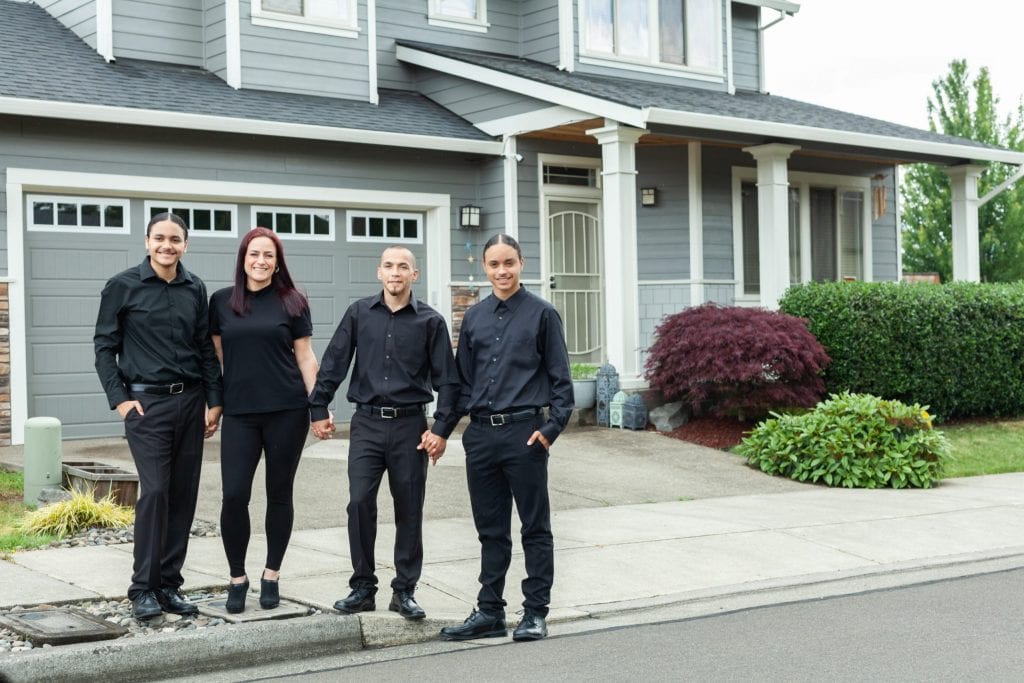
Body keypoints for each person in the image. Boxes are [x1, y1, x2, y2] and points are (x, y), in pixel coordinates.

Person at [309, 245, 458, 621]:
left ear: (414, 275)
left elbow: (449, 382)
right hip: (367, 425)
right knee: (359, 502)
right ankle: (362, 587)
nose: (396, 272)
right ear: (379, 273)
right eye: (389, 266)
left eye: (403, 267)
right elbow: (334, 361)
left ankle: (404, 591)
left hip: (411, 426)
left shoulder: (431, 322)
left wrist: (441, 428)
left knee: (409, 508)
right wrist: (318, 407)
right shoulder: (360, 313)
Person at [437, 234, 573, 643]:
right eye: (494, 264)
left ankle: (534, 612)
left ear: (521, 263)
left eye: (509, 263)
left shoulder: (543, 315)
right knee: (490, 529)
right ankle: (490, 611)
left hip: (525, 435)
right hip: (480, 436)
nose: (502, 271)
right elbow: (461, 383)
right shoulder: (474, 318)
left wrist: (549, 431)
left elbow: (561, 382)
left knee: (534, 527)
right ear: (485, 268)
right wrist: (441, 431)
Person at [94, 212, 223, 620]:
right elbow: (104, 347)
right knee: (155, 493)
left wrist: (214, 399)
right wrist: (120, 400)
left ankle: (169, 584)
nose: (167, 246)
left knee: (183, 494)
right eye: (160, 238)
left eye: (175, 240)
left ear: (186, 244)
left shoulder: (194, 288)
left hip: (191, 402)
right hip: (146, 406)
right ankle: (142, 589)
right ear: (147, 241)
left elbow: (204, 347)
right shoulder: (122, 286)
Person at [209, 228, 319, 613]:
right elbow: (217, 358)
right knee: (234, 495)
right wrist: (216, 403)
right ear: (243, 258)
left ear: (277, 261)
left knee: (279, 493)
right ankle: (236, 578)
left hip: (287, 411)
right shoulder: (221, 302)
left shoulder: (293, 301)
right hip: (240, 413)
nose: (261, 261)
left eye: (269, 255)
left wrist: (318, 406)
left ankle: (271, 574)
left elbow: (305, 356)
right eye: (254, 253)